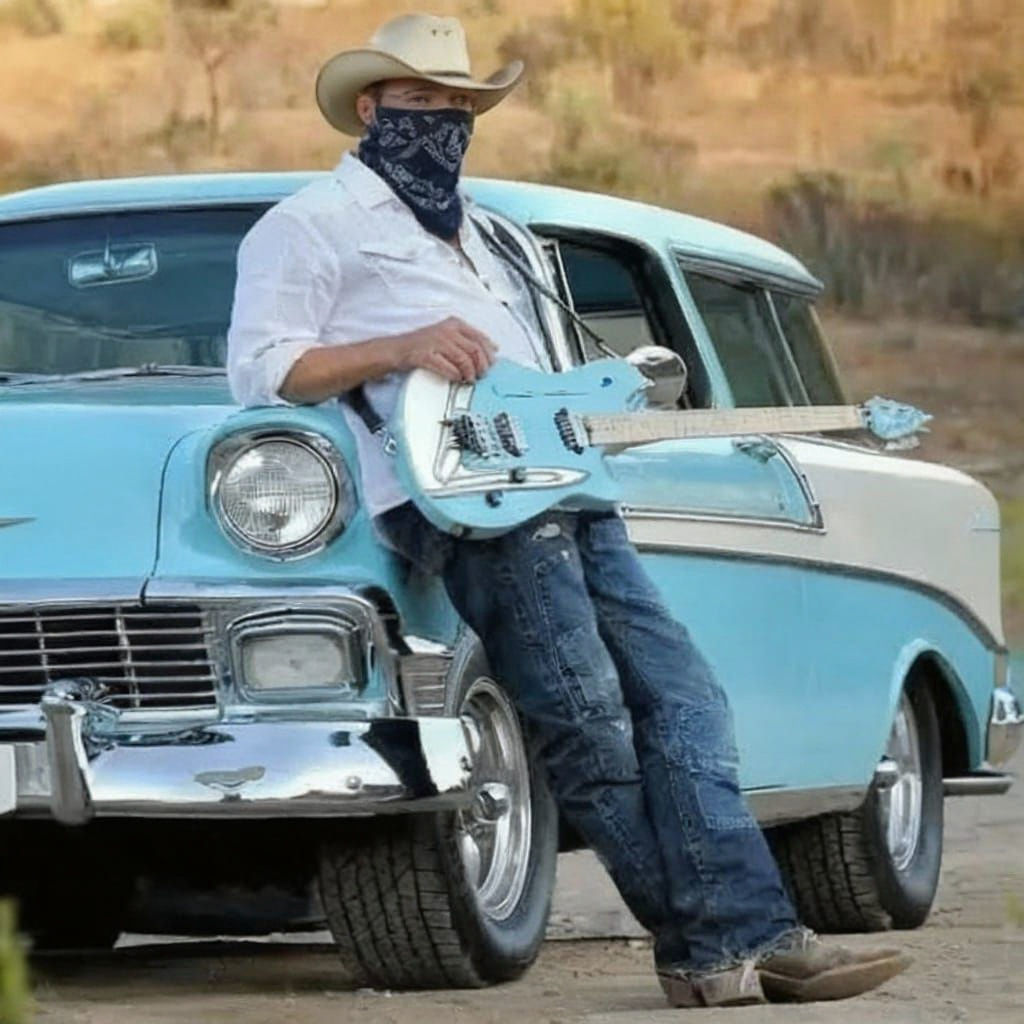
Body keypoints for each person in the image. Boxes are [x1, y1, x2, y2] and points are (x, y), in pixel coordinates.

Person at [226, 12, 912, 1008]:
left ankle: (719, 946)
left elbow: (539, 383)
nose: (441, 125)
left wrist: (604, 398)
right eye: (419, 104)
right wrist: (399, 346)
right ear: (369, 108)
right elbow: (261, 370)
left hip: (569, 487)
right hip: (461, 500)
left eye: (458, 108)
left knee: (685, 700)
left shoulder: (497, 236)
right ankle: (737, 940)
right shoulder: (307, 225)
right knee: (587, 723)